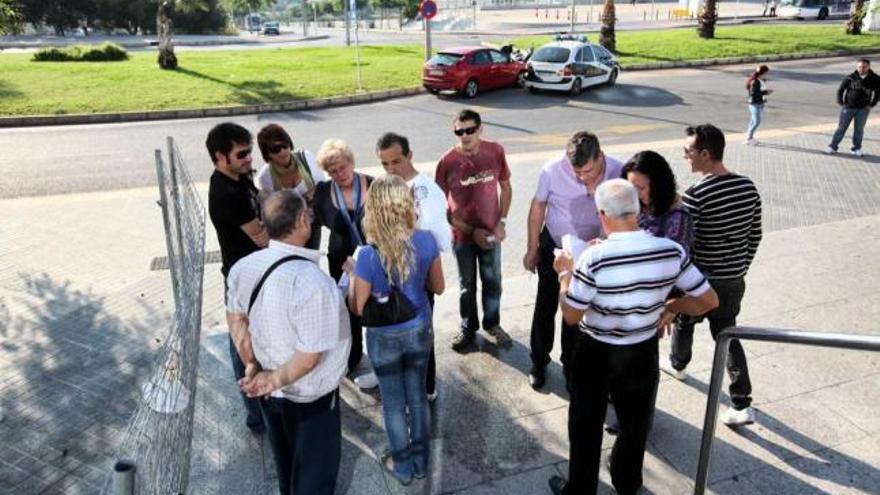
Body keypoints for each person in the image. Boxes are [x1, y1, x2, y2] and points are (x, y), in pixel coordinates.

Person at [547, 179, 718, 495]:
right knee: (634, 425)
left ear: (602, 215)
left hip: (595, 352)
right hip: (642, 350)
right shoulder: (670, 251)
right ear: (637, 210)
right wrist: (674, 305)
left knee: (585, 425)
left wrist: (564, 274)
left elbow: (571, 315)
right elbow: (709, 301)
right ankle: (627, 483)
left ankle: (581, 489)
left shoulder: (593, 258)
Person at [229, 190, 351, 495]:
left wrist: (253, 367)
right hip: (310, 398)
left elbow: (237, 321)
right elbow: (309, 357)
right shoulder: (312, 281)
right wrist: (271, 379)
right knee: (314, 476)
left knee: (286, 466)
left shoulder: (242, 268)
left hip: (271, 394)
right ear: (301, 221)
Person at [663, 124, 763, 427]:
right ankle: (741, 402)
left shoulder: (696, 195)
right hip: (734, 280)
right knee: (728, 334)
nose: (685, 157)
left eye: (688, 152)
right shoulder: (748, 187)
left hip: (701, 281)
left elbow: (683, 245)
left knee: (683, 320)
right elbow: (755, 235)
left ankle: (678, 365)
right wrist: (739, 268)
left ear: (705, 154)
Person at [347, 175, 445, 485]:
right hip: (418, 327)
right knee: (417, 396)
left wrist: (352, 275)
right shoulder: (427, 239)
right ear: (405, 204)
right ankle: (421, 462)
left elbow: (357, 307)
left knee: (392, 402)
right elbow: (438, 287)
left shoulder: (366, 254)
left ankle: (402, 467)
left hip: (384, 337)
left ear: (373, 209)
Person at [523, 131, 624, 390]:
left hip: (591, 251)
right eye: (577, 173)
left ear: (600, 156)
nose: (582, 178)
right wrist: (532, 248)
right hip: (554, 247)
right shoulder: (552, 170)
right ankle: (538, 362)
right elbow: (537, 208)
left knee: (577, 309)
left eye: (588, 171)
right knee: (546, 305)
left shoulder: (618, 170)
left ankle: (571, 365)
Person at [377, 132, 451, 401]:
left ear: (410, 155)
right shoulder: (387, 187)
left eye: (396, 162)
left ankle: (427, 385)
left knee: (422, 332)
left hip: (419, 276)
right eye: (384, 164)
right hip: (391, 275)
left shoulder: (427, 191)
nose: (390, 169)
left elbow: (439, 239)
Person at [206, 122, 267, 433]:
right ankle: (256, 412)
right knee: (242, 344)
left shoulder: (238, 178)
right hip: (242, 279)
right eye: (241, 154)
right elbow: (261, 237)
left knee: (248, 340)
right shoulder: (227, 193)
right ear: (220, 156)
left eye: (249, 152)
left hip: (249, 273)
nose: (248, 159)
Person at [435, 109, 513, 352]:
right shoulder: (447, 161)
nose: (465, 135)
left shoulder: (495, 151)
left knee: (493, 281)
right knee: (467, 284)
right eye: (459, 131)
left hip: (490, 232)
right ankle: (468, 327)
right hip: (462, 236)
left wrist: (502, 222)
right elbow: (440, 207)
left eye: (470, 130)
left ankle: (493, 324)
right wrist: (470, 230)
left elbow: (506, 188)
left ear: (480, 129)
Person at [313, 138, 373, 383]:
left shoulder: (373, 184)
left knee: (374, 304)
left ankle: (381, 355)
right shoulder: (322, 192)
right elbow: (313, 221)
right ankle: (352, 356)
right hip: (340, 261)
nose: (339, 174)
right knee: (347, 311)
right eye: (332, 171)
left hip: (371, 258)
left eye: (342, 167)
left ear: (351, 162)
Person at [254, 123, 327, 249]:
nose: (283, 151)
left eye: (285, 145)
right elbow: (272, 211)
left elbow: (324, 187)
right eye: (275, 149)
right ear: (267, 154)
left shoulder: (307, 158)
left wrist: (315, 192)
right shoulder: (265, 177)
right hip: (287, 231)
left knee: (311, 259)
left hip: (312, 223)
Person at [621, 150, 693, 250]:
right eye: (632, 188)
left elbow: (673, 257)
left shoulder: (678, 217)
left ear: (658, 186)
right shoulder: (633, 206)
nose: (636, 194)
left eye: (641, 188)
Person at [826, 58, 880, 157]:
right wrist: (840, 101)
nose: (861, 69)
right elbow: (841, 90)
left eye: (864, 67)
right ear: (857, 67)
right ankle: (833, 146)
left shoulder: (875, 78)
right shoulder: (850, 77)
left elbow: (878, 93)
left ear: (868, 67)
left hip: (863, 109)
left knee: (859, 129)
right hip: (848, 108)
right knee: (841, 128)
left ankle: (856, 148)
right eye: (859, 67)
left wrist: (871, 104)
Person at [745, 65, 773, 146]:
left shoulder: (761, 80)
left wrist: (765, 93)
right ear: (762, 73)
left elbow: (760, 90)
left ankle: (749, 137)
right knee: (756, 122)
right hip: (755, 103)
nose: (767, 74)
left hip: (760, 103)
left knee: (753, 121)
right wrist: (766, 92)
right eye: (766, 73)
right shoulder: (755, 82)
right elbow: (753, 93)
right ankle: (749, 138)